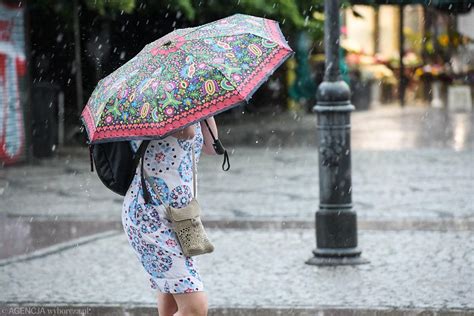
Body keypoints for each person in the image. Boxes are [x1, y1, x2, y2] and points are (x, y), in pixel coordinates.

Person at [122, 117, 218, 316]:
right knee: (195, 307)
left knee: (170, 306)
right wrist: (193, 97)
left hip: (177, 219)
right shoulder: (155, 100)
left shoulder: (184, 98)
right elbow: (187, 132)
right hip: (149, 217)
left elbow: (212, 146)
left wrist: (208, 109)